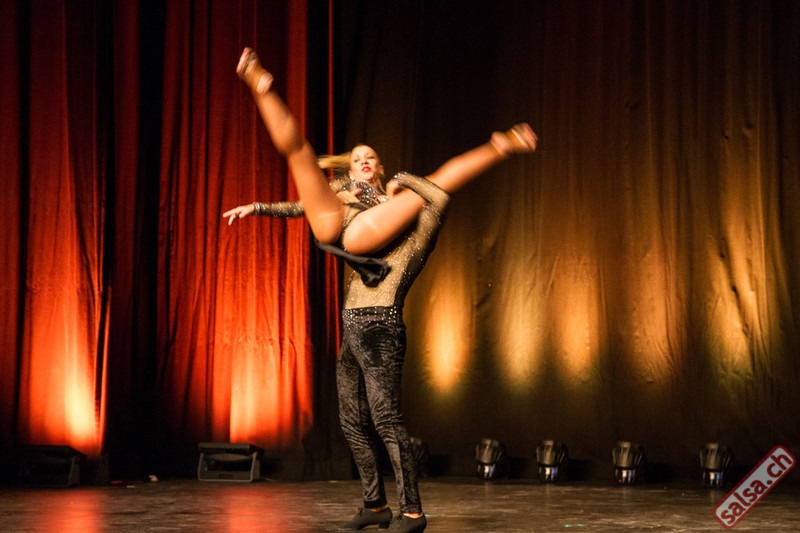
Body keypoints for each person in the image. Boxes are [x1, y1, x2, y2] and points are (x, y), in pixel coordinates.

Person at [224, 48, 537, 533]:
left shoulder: (408, 202)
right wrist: (259, 208)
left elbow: (440, 185)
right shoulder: (344, 194)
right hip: (349, 307)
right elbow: (301, 205)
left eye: (371, 158)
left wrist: (411, 180)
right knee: (352, 421)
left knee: (387, 419)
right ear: (350, 170)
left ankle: (411, 510)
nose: (364, 162)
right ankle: (374, 505)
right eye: (357, 159)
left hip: (381, 323)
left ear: (381, 166)